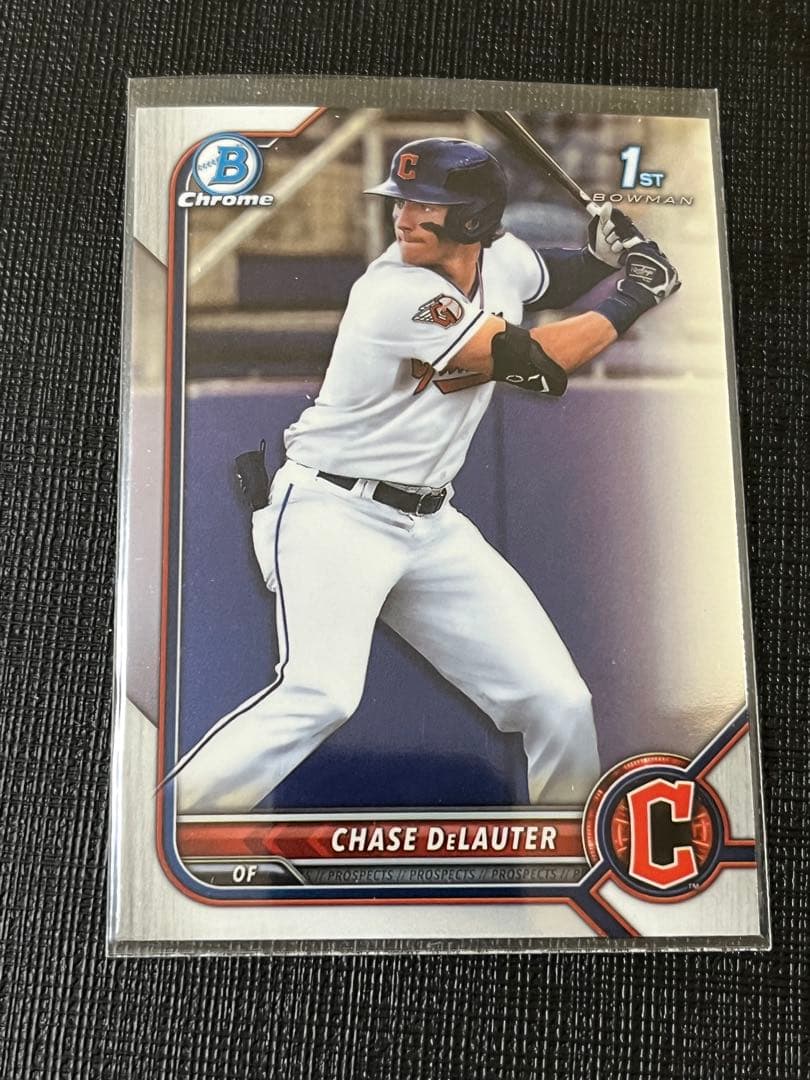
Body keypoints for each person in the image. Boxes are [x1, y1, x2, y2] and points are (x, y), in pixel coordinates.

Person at [170, 137, 680, 813]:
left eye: (425, 205)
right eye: (401, 201)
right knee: (320, 695)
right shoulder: (394, 290)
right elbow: (533, 361)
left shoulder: (500, 258)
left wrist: (599, 257)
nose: (404, 217)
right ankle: (172, 823)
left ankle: (568, 857)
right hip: (332, 513)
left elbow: (546, 278)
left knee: (557, 701)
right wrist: (635, 292)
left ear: (474, 219)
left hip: (431, 526)